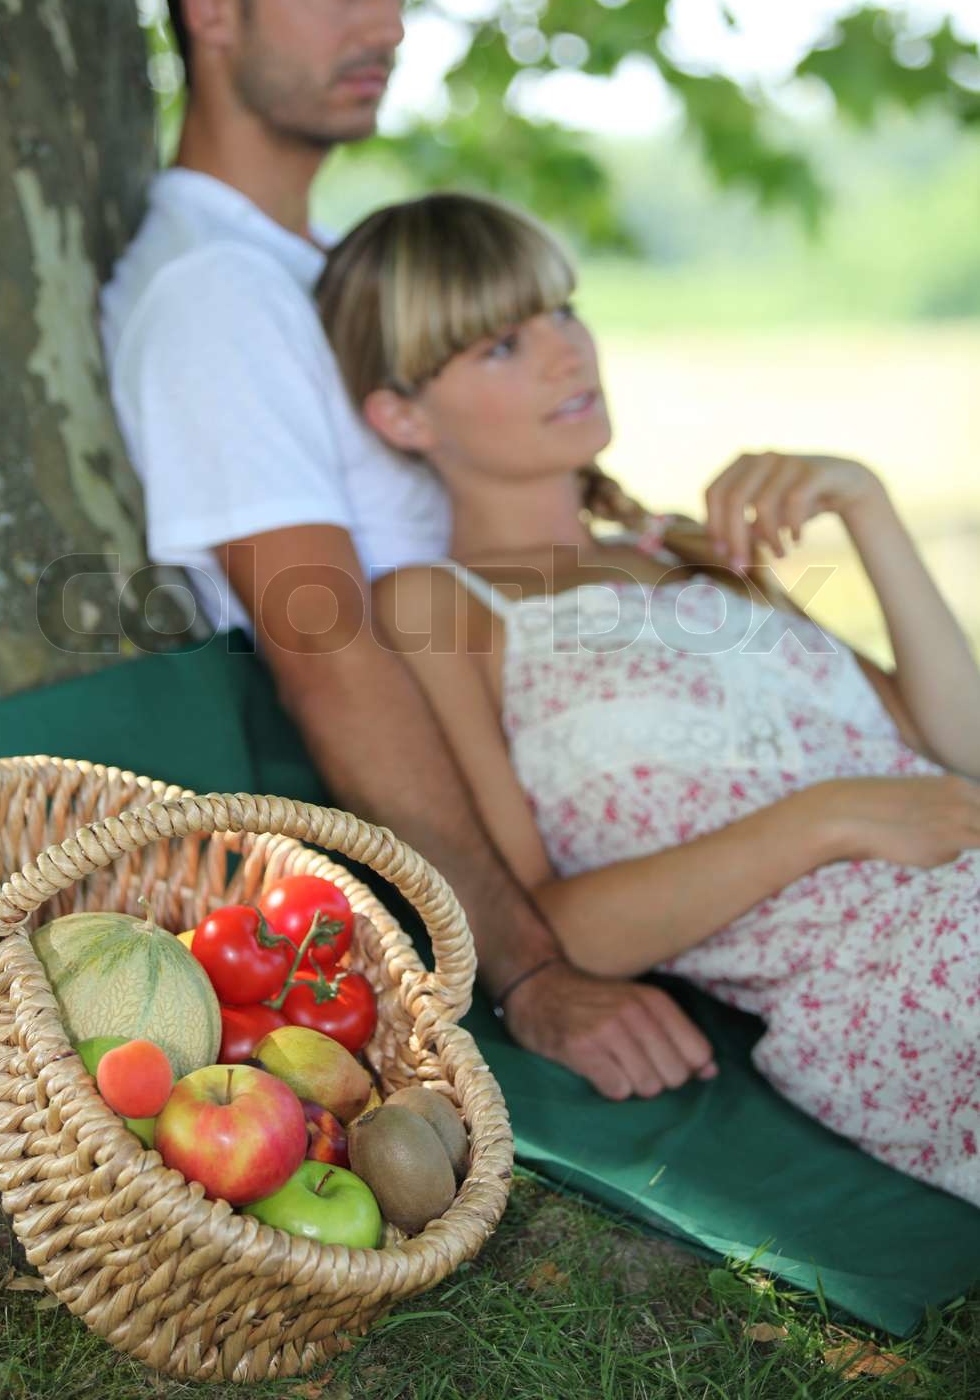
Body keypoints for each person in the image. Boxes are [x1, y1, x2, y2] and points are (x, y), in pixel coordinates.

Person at [99, 0, 718, 1099]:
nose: (383, 25)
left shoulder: (311, 270)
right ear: (210, 3)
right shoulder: (215, 293)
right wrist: (528, 972)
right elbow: (323, 644)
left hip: (623, 752)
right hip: (540, 841)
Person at [315, 190, 980, 1203]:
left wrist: (865, 502)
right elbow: (561, 932)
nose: (565, 354)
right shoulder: (440, 605)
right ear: (401, 415)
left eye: (562, 310)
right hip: (898, 978)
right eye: (501, 345)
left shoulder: (685, 548)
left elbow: (954, 748)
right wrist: (826, 818)